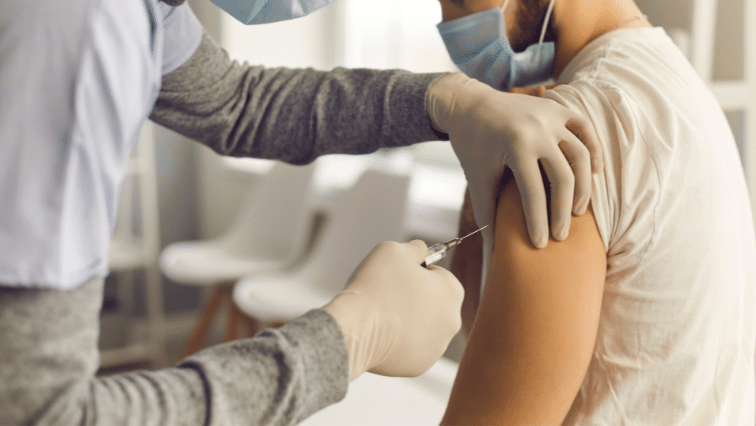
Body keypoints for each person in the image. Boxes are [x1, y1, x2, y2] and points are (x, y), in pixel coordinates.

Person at [0, 0, 603, 424]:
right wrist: (351, 337)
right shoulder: (74, 25)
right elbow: (44, 415)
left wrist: (440, 100)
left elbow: (235, 102)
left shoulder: (141, 11)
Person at [439, 0, 756, 424]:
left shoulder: (571, 134)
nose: (449, 23)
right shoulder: (675, 84)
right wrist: (476, 191)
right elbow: (485, 330)